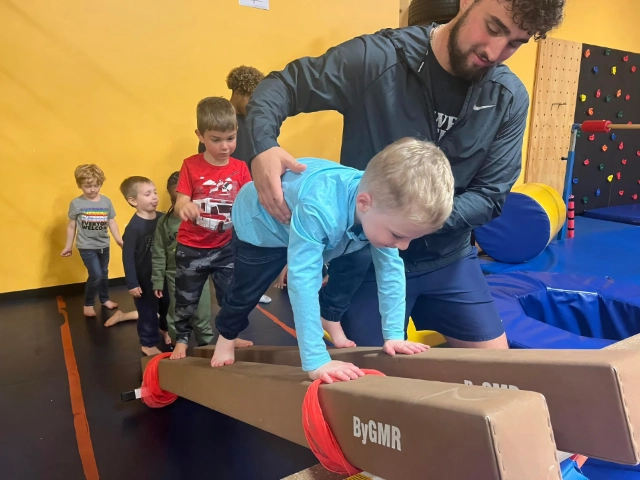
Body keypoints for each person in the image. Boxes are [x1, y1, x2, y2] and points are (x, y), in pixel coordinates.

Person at [245, 0, 565, 350]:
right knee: (369, 382)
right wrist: (263, 146)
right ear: (465, 2)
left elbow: (490, 196)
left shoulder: (508, 97)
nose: (495, 51)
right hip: (364, 257)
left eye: (515, 43)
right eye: (493, 27)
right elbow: (283, 86)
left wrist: (413, 223)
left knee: (497, 370)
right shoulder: (377, 59)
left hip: (448, 260)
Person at [210, 138, 454, 383]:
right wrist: (316, 359)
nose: (403, 246)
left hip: (320, 225)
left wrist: (394, 335)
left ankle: (330, 315)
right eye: (399, 235)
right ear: (364, 203)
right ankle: (227, 336)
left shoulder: (381, 207)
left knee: (359, 258)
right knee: (247, 290)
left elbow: (391, 271)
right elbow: (303, 282)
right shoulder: (321, 208)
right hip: (261, 226)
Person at [170, 97, 256, 360]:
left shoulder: (240, 168)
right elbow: (181, 201)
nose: (225, 146)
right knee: (186, 299)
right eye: (216, 139)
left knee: (231, 297)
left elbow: (248, 203)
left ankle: (230, 334)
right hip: (192, 248)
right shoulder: (191, 165)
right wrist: (184, 207)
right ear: (200, 135)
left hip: (226, 248)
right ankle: (182, 339)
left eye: (230, 138)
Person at [151, 172, 214, 346]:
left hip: (199, 271)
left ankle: (206, 345)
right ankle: (178, 342)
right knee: (177, 312)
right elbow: (158, 252)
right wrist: (157, 280)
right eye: (174, 199)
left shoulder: (202, 218)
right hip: (174, 274)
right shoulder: (164, 222)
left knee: (201, 312)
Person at [62, 164, 123, 317]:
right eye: (88, 186)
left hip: (104, 245)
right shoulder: (77, 203)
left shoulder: (106, 202)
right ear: (80, 185)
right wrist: (68, 246)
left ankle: (104, 299)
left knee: (103, 273)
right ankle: (88, 303)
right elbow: (71, 226)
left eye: (97, 185)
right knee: (95, 274)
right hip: (86, 246)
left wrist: (118, 239)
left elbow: (112, 222)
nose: (93, 189)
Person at [120, 176, 171, 355]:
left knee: (167, 305)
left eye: (155, 192)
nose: (155, 197)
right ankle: (148, 343)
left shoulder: (163, 218)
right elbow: (128, 257)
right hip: (144, 280)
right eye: (148, 194)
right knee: (148, 311)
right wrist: (132, 283)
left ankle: (164, 328)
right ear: (133, 201)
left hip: (163, 276)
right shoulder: (134, 228)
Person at [198, 65, 265, 166]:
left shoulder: (255, 121)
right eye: (251, 100)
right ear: (237, 94)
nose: (255, 106)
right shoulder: (217, 119)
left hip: (250, 180)